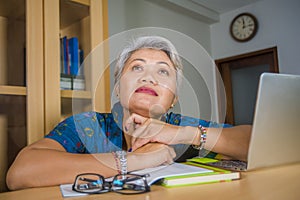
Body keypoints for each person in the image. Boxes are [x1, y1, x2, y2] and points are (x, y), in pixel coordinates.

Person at [6, 36, 251, 190]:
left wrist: (185, 134)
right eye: (137, 67)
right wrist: (138, 160)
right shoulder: (88, 125)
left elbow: (258, 141)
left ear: (174, 97)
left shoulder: (182, 126)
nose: (148, 77)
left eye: (163, 72)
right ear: (117, 88)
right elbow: (20, 173)